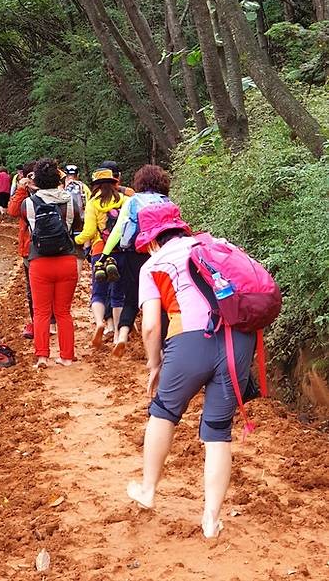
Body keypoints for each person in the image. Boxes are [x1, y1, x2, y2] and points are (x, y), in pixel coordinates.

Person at [127, 201, 257, 540]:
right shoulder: (211, 248)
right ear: (180, 228)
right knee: (217, 432)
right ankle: (211, 520)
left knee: (164, 413)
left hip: (189, 343)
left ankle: (148, 490)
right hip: (237, 343)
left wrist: (154, 364)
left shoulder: (154, 264)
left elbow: (152, 326)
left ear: (151, 240)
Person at [98, 163, 173, 357]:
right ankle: (162, 349)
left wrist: (106, 254)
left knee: (131, 297)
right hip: (161, 255)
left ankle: (122, 335)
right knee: (162, 302)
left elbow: (118, 230)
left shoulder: (133, 201)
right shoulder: (167, 202)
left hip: (134, 253)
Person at [21, 157, 83, 368]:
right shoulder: (70, 202)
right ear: (59, 179)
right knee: (63, 311)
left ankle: (42, 356)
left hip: (39, 262)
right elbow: (75, 226)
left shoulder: (28, 204)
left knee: (41, 311)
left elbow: (27, 226)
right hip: (66, 259)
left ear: (35, 180)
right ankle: (66, 357)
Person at [74, 163, 129, 349]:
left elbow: (88, 231)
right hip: (121, 251)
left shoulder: (93, 203)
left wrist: (77, 240)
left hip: (100, 252)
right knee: (118, 294)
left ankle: (100, 323)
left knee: (98, 292)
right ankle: (118, 335)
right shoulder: (124, 200)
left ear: (96, 184)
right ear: (114, 182)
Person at [8, 161, 37, 338]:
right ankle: (39, 322)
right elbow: (12, 211)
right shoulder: (24, 193)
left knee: (38, 288)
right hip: (29, 247)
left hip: (40, 247)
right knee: (32, 289)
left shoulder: (52, 191)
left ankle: (47, 323)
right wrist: (21, 188)